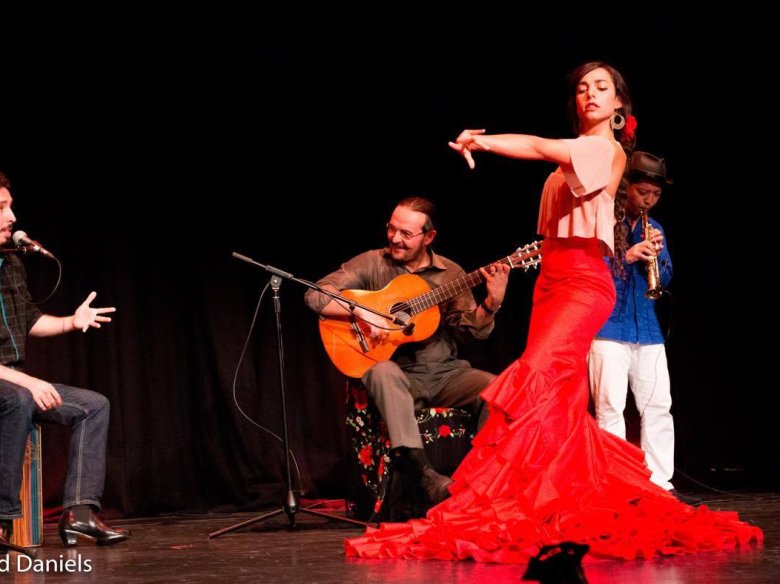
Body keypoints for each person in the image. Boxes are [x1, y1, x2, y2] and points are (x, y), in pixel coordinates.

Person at [344, 62, 762, 562]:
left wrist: (483, 141)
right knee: (559, 401)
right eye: (582, 88)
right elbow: (551, 177)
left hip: (585, 282)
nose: (589, 93)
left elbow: (542, 146)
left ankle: (514, 496)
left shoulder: (603, 149)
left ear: (619, 107)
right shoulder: (577, 155)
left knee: (537, 380)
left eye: (601, 88)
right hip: (552, 282)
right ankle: (552, 501)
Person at [304, 196, 510, 505]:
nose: (395, 239)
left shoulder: (451, 274)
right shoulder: (372, 262)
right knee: (383, 371)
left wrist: (491, 303)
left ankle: (480, 481)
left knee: (499, 389)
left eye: (406, 234)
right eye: (392, 229)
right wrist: (362, 312)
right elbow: (315, 295)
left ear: (429, 237)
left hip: (444, 373)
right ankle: (423, 473)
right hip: (397, 375)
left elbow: (469, 333)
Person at [0, 172, 129, 556]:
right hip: (10, 388)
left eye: (9, 206)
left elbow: (30, 321)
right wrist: (27, 384)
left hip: (10, 382)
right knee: (18, 399)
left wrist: (72, 322)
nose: (12, 217)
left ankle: (79, 512)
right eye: (2, 208)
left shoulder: (10, 265)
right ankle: (2, 522)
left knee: (93, 406)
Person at [588, 151, 697, 504]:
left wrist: (659, 257)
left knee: (658, 406)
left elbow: (663, 280)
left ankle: (661, 483)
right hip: (607, 329)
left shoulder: (656, 227)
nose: (649, 200)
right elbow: (586, 276)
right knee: (610, 409)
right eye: (642, 193)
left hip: (647, 330)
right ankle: (615, 485)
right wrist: (628, 255)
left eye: (656, 195)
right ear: (626, 188)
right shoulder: (602, 222)